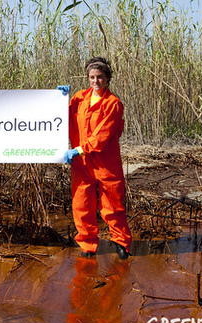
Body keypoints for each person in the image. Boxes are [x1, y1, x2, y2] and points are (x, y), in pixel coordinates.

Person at [57, 57, 132, 259]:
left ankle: (121, 243)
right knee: (81, 205)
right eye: (92, 77)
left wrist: (79, 149)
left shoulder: (113, 104)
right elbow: (60, 119)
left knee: (113, 206)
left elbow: (102, 136)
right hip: (81, 163)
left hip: (106, 163)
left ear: (107, 78)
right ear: (87, 78)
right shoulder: (78, 98)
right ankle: (88, 245)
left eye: (100, 77)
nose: (95, 81)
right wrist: (58, 99)